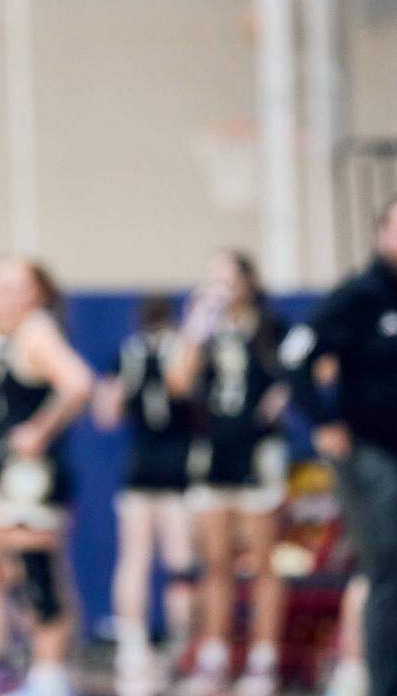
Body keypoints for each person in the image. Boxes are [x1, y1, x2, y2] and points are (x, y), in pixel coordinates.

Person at [280, 195, 397, 696]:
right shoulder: (358, 296)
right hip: (376, 458)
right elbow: (294, 356)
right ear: (382, 235)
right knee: (390, 574)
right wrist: (322, 420)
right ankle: (383, 687)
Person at [0, 259, 93, 696]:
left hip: (29, 476)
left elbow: (79, 383)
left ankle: (51, 671)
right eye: (0, 286)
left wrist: (39, 431)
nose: (5, 296)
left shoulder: (37, 331)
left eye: (17, 288)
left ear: (37, 295)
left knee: (36, 569)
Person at [167, 251, 289, 696]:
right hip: (213, 451)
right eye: (213, 277)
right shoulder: (203, 329)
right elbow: (178, 383)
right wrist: (194, 332)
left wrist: (281, 398)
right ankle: (214, 654)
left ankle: (263, 660)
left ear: (248, 281)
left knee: (263, 560)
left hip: (258, 452)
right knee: (214, 561)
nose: (220, 286)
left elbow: (306, 372)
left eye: (228, 277)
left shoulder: (270, 327)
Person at [92, 295, 196, 696]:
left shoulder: (127, 353)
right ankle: (179, 646)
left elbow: (105, 415)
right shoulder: (181, 350)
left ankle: (133, 647)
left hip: (141, 465)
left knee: (135, 558)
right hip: (178, 466)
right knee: (179, 564)